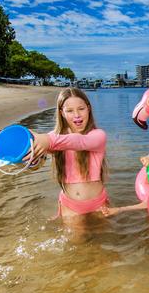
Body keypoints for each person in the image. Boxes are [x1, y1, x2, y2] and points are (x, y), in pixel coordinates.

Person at [26, 87, 109, 225]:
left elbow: (79, 141)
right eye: (69, 111)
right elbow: (34, 164)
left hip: (98, 202)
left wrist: (48, 140)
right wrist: (31, 155)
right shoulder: (54, 137)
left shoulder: (98, 135)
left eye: (81, 109)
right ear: (62, 113)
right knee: (77, 245)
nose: (77, 115)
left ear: (88, 108)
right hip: (71, 205)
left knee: (102, 242)